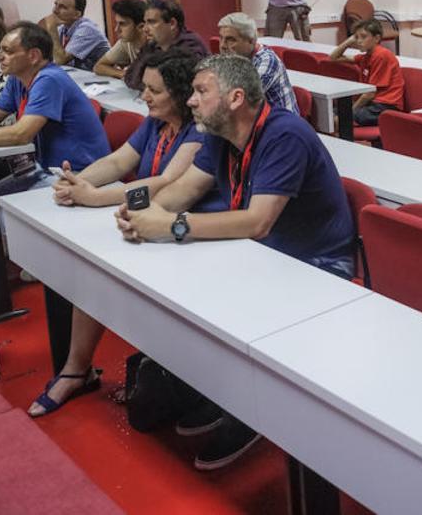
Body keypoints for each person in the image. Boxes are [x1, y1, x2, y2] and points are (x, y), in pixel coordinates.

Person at [116, 53, 356, 470]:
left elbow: (257, 222)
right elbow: (185, 190)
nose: (190, 100)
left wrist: (171, 226)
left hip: (316, 265)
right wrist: (144, 215)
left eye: (201, 91)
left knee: (225, 296)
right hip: (264, 253)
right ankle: (223, 392)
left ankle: (254, 411)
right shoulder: (218, 133)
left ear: (236, 98)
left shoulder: (285, 135)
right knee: (192, 288)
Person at [28, 50, 203, 417]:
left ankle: (80, 370)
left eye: (155, 90)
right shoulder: (155, 123)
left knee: (100, 267)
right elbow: (118, 161)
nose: (145, 97)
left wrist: (95, 197)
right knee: (89, 265)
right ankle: (76, 369)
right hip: (145, 215)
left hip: (180, 226)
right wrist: (77, 182)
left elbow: (165, 183)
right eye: (145, 88)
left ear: (180, 92)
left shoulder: (197, 131)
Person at [0, 21, 110, 184]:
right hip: (48, 167)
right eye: (0, 50)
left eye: (7, 51)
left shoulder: (49, 80)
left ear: (33, 56)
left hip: (79, 173)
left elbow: (20, 134)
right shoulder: (18, 77)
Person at [326, 18, 404, 126]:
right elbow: (333, 57)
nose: (359, 41)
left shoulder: (381, 55)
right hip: (372, 104)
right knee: (331, 112)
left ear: (376, 38)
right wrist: (348, 41)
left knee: (340, 119)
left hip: (386, 107)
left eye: (363, 37)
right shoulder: (365, 57)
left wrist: (351, 111)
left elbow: (369, 94)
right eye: (357, 37)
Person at [216, 12, 297, 114]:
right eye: (221, 38)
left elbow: (241, 99)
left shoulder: (267, 61)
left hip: (282, 121)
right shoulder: (234, 58)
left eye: (230, 40)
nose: (222, 45)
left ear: (251, 41)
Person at [123, 0, 209, 90]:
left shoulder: (190, 47)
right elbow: (130, 77)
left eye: (152, 22)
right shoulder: (152, 45)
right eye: (145, 23)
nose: (145, 29)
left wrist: (149, 83)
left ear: (172, 24)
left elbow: (175, 87)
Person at [40, 0, 110, 71]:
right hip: (80, 74)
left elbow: (61, 60)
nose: (55, 10)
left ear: (77, 14)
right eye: (56, 5)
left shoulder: (87, 29)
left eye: (62, 7)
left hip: (100, 76)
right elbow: (47, 57)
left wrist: (52, 29)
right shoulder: (62, 28)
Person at [94, 0, 149, 80]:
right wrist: (124, 74)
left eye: (123, 24)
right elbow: (98, 67)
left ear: (141, 27)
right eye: (117, 23)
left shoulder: (156, 44)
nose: (116, 30)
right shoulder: (126, 41)